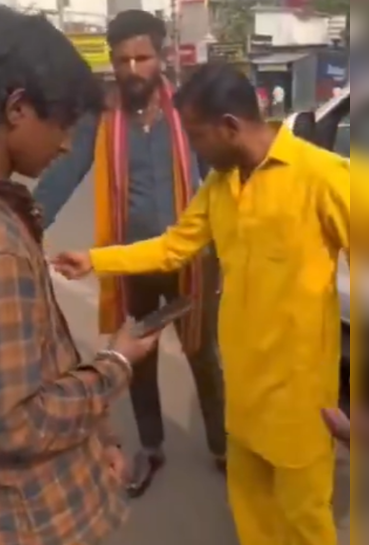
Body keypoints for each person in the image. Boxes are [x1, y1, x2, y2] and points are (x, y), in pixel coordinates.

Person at [52, 62, 349, 545]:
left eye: (196, 134)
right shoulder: (221, 187)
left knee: (304, 519)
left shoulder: (323, 177)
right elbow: (173, 246)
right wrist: (93, 258)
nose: (190, 146)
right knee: (250, 510)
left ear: (230, 127)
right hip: (244, 392)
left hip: (299, 399)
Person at [0, 7, 166, 545]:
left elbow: (29, 364)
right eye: (61, 124)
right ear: (18, 108)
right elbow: (7, 423)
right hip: (26, 520)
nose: (65, 144)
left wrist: (99, 435)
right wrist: (114, 364)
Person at [33, 10, 226, 496]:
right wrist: (24, 224)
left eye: (143, 57)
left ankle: (223, 448)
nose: (133, 69)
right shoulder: (102, 120)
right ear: (112, 62)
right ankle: (153, 447)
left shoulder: (188, 111)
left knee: (204, 355)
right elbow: (63, 175)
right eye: (123, 60)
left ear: (161, 57)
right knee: (138, 357)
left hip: (191, 260)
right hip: (132, 266)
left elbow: (221, 176)